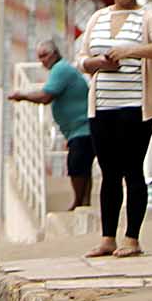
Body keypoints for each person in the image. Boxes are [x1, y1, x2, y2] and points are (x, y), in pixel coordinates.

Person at [78, 0, 152, 259]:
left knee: (132, 169)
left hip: (136, 107)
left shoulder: (148, 18)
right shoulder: (98, 18)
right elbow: (81, 59)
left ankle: (132, 237)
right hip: (103, 106)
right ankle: (107, 237)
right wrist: (99, 63)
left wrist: (131, 51)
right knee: (108, 172)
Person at [9, 38, 94, 211]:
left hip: (82, 128)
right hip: (77, 129)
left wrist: (22, 95)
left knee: (77, 165)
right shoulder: (60, 69)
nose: (42, 61)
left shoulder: (60, 69)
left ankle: (80, 201)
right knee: (81, 166)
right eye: (39, 57)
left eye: (44, 56)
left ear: (54, 54)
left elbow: (46, 96)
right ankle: (82, 201)